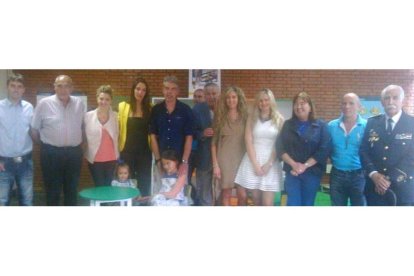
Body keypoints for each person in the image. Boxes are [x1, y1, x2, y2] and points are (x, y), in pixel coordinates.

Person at [31, 75, 85, 206]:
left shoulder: (79, 103)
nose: (63, 89)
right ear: (54, 87)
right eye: (59, 86)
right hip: (51, 153)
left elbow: (82, 126)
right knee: (52, 190)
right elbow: (34, 129)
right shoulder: (44, 103)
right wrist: (44, 145)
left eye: (66, 85)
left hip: (74, 153)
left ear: (71, 88)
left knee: (71, 189)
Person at [360, 85, 414, 206]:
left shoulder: (411, 123)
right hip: (374, 187)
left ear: (402, 101)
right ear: (382, 101)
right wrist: (374, 174)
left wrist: (386, 180)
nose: (391, 102)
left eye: (395, 98)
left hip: (402, 187)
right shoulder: (372, 122)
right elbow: (363, 150)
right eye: (387, 98)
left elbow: (411, 156)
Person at [276, 92, 330, 206]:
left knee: (307, 204)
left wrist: (304, 166)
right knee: (292, 204)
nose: (298, 106)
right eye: (296, 104)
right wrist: (294, 165)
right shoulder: (287, 125)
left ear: (310, 107)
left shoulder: (321, 126)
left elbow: (324, 149)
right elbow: (280, 147)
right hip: (292, 173)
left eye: (302, 103)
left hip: (312, 173)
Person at [235, 89, 284, 206]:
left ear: (271, 101)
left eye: (266, 100)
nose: (264, 103)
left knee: (267, 203)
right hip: (253, 160)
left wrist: (269, 163)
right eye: (261, 100)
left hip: (271, 161)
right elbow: (248, 141)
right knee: (256, 200)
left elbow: (279, 143)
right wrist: (255, 164)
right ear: (257, 102)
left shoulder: (279, 119)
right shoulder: (251, 118)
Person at [149, 75, 194, 178]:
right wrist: (158, 160)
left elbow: (189, 137)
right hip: (162, 162)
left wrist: (184, 162)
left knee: (179, 192)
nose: (169, 92)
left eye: (173, 89)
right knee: (161, 191)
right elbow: (153, 136)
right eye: (166, 88)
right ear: (162, 90)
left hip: (179, 162)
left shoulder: (186, 110)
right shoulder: (156, 110)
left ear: (177, 91)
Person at [0, 73, 34, 206]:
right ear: (7, 87)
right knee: (2, 201)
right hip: (3, 162)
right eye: (13, 86)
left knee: (27, 200)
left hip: (25, 161)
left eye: (19, 86)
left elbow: (33, 130)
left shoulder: (29, 107)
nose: (16, 89)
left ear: (23, 89)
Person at [327, 93, 367, 206]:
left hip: (359, 176)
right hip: (337, 175)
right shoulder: (331, 126)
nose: (347, 106)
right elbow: (325, 148)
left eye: (351, 103)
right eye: (344, 103)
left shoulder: (367, 126)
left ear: (359, 106)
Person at [211, 86, 248, 206]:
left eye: (233, 97)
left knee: (242, 195)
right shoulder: (220, 117)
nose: (231, 100)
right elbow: (213, 143)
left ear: (238, 98)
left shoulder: (245, 116)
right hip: (224, 160)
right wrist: (216, 165)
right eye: (228, 98)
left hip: (242, 159)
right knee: (226, 194)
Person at [118, 77, 152, 196]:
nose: (140, 92)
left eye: (143, 90)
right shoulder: (123, 106)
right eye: (138, 89)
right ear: (133, 90)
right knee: (127, 181)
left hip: (145, 153)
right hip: (127, 152)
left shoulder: (150, 108)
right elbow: (118, 127)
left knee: (144, 181)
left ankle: (142, 204)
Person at [84, 85, 119, 187]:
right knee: (99, 186)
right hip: (95, 159)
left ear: (111, 101)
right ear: (97, 98)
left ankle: (106, 203)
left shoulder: (116, 116)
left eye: (107, 99)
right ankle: (100, 203)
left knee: (108, 186)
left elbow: (119, 135)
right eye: (101, 98)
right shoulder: (87, 116)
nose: (104, 102)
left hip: (112, 159)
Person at [193, 83, 220, 206]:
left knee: (220, 190)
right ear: (204, 95)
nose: (211, 96)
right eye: (208, 94)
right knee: (203, 189)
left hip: (221, 157)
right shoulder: (197, 109)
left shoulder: (225, 109)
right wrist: (202, 133)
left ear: (219, 94)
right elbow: (191, 132)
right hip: (203, 157)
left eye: (214, 93)